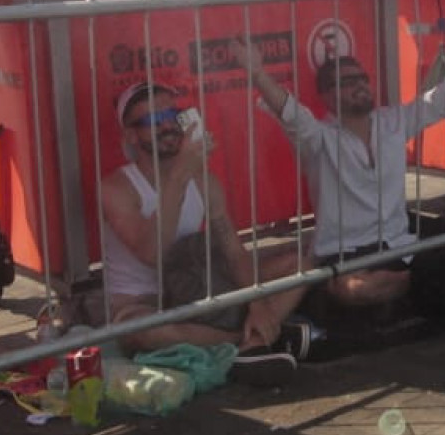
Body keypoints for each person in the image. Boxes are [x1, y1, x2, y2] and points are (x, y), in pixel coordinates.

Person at [228, 14, 445, 311]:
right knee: (352, 289)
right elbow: (291, 114)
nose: (359, 85)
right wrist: (258, 74)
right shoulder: (318, 138)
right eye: (346, 81)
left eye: (361, 78)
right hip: (345, 253)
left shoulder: (393, 122)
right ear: (326, 95)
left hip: (399, 244)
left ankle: (418, 280)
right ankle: (418, 281)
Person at [98, 82, 309, 381]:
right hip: (145, 303)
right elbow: (152, 253)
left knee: (298, 267)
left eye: (173, 115)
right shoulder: (116, 188)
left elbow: (234, 251)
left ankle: (250, 334)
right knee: (140, 331)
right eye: (154, 120)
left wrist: (258, 304)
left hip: (199, 289)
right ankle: (249, 339)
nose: (168, 126)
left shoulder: (204, 181)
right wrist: (179, 175)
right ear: (131, 135)